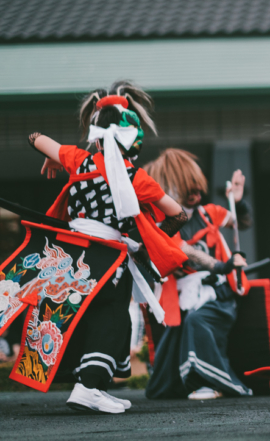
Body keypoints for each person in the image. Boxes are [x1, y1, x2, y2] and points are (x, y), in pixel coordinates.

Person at [14, 82, 187, 412]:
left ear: (94, 131)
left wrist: (51, 157)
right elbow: (178, 214)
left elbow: (34, 136)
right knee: (112, 318)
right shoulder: (137, 176)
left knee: (81, 315)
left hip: (71, 253)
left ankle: (88, 385)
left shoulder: (77, 159)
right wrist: (145, 240)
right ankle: (89, 386)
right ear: (130, 134)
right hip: (109, 256)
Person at [143, 148, 251, 401]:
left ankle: (209, 382)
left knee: (197, 322)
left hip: (217, 295)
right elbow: (184, 250)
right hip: (183, 297)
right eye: (187, 188)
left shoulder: (209, 213)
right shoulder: (164, 222)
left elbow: (241, 222)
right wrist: (220, 264)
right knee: (176, 335)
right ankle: (183, 384)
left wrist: (238, 199)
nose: (195, 194)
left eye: (197, 188)